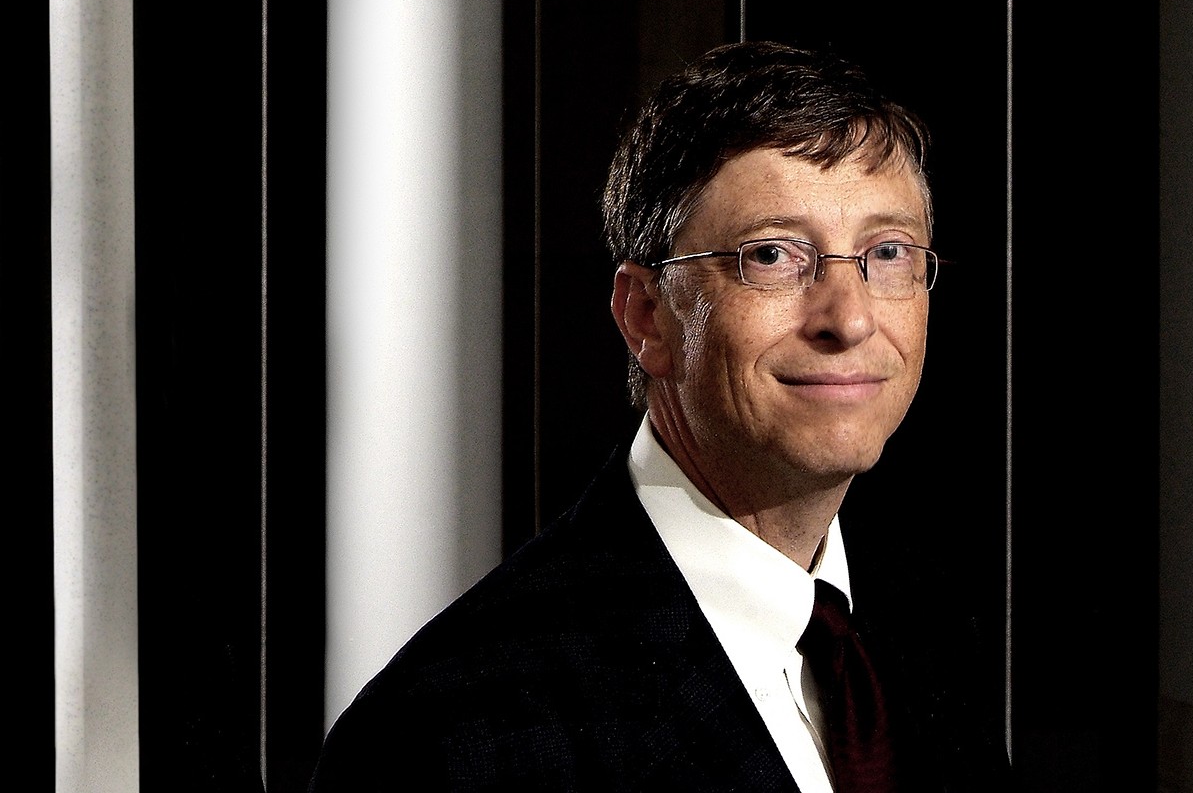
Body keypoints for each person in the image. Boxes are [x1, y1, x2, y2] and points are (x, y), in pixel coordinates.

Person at [311, 42, 1014, 791]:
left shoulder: (930, 630)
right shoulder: (456, 733)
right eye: (773, 255)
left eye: (887, 253)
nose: (849, 318)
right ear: (646, 315)